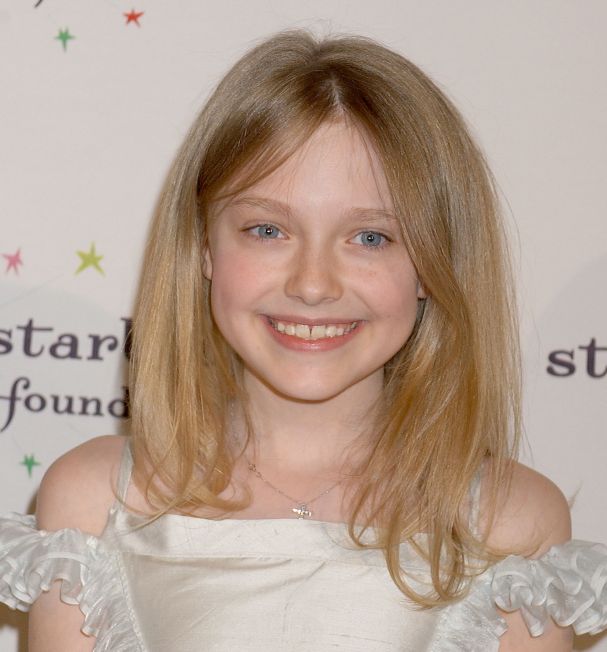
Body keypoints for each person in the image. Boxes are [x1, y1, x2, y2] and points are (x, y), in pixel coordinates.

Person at [1, 29, 606, 652]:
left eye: (370, 237)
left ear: (433, 265)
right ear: (204, 247)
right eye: (268, 230)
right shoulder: (95, 504)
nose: (313, 285)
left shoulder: (510, 525)